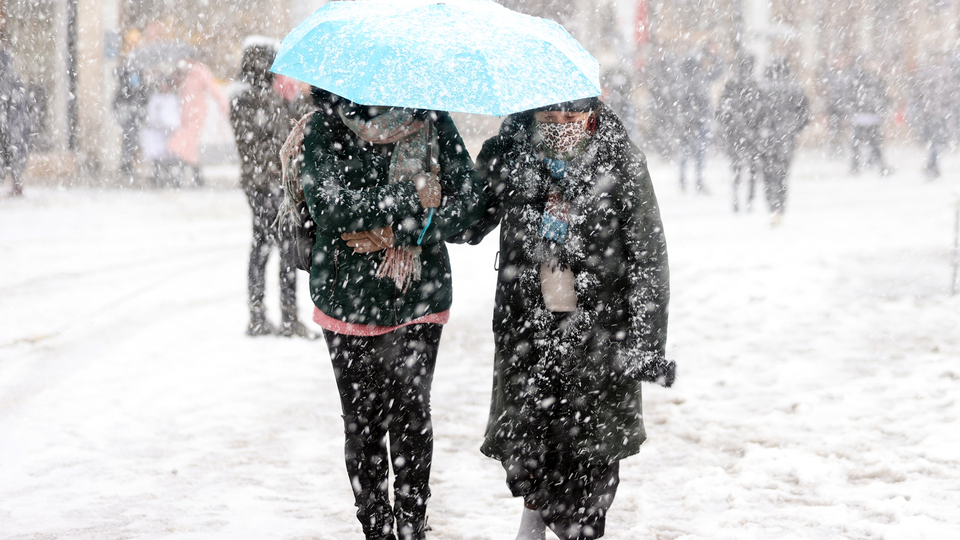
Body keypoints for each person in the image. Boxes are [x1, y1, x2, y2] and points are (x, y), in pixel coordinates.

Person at [452, 97, 674, 540]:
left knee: (592, 452)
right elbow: (466, 224)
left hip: (600, 332)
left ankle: (577, 529)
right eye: (549, 118)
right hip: (527, 326)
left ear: (591, 115)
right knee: (531, 439)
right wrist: (478, 162)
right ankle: (534, 518)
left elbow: (649, 258)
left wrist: (646, 346)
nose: (560, 127)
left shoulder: (619, 159)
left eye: (571, 117)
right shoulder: (514, 152)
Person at [299, 91, 485, 540]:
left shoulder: (432, 120)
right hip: (347, 297)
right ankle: (376, 528)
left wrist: (404, 230)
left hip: (418, 295)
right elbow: (329, 207)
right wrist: (413, 194)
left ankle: (412, 524)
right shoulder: (325, 125)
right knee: (362, 422)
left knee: (411, 414)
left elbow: (467, 202)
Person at [229, 37, 311, 337]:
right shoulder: (249, 98)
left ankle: (265, 315)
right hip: (265, 184)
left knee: (266, 245)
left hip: (267, 183)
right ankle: (277, 317)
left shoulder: (265, 95)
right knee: (277, 246)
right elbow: (259, 144)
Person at [758, 59, 810, 225]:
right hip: (786, 137)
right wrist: (795, 128)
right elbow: (805, 114)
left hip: (766, 137)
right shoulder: (795, 87)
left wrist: (759, 129)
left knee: (768, 174)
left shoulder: (762, 87)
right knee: (782, 175)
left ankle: (771, 206)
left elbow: (754, 113)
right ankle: (779, 208)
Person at [168, 56, 228, 187]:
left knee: (182, 144)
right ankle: (196, 176)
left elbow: (213, 88)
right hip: (185, 114)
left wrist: (224, 105)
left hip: (197, 114)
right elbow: (176, 89)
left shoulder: (201, 72)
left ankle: (184, 175)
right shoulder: (183, 73)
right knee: (187, 146)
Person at [716, 54, 764, 212]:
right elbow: (762, 110)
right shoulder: (754, 85)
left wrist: (728, 124)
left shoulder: (731, 84)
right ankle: (749, 199)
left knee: (737, 167)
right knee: (752, 167)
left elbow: (722, 110)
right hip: (751, 132)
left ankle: (737, 197)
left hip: (735, 132)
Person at [843, 56, 891, 176]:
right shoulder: (873, 79)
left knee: (860, 144)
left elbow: (848, 98)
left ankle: (857, 166)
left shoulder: (855, 79)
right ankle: (879, 167)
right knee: (873, 144)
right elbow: (882, 97)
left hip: (863, 116)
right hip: (868, 116)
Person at [113, 30, 148, 179]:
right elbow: (135, 86)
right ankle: (126, 163)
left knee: (130, 133)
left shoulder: (127, 62)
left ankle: (127, 162)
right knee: (130, 133)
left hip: (125, 103)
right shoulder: (132, 63)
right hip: (128, 104)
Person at [909, 53, 951, 179]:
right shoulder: (943, 73)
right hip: (939, 112)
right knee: (938, 140)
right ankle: (932, 165)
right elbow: (950, 92)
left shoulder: (923, 73)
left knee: (934, 140)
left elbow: (916, 94)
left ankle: (932, 165)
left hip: (928, 112)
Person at [0, 49, 30, 197]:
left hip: (10, 123)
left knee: (12, 152)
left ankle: (16, 183)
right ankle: (16, 183)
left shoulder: (10, 79)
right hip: (11, 123)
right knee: (13, 153)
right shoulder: (13, 79)